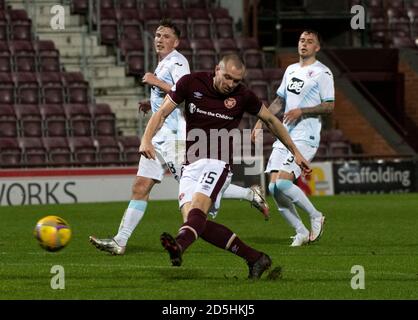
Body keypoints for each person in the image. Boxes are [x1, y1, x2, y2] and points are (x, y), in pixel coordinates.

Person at [89, 20, 268, 256]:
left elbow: (187, 93)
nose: (159, 39)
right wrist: (151, 101)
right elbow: (169, 95)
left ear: (176, 42)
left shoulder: (178, 61)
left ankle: (247, 195)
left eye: (165, 36)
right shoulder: (164, 62)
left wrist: (155, 82)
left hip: (177, 137)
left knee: (196, 197)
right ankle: (120, 241)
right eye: (157, 35)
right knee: (141, 186)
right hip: (159, 137)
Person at [139, 54, 312, 279]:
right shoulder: (190, 83)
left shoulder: (243, 96)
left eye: (236, 81)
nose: (231, 84)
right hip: (190, 164)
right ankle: (256, 258)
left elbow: (271, 121)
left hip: (218, 163)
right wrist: (146, 139)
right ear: (216, 70)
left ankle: (179, 247)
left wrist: (296, 152)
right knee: (193, 221)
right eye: (228, 77)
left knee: (198, 210)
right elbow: (161, 112)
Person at [252, 29, 335, 247]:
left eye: (309, 41)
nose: (304, 44)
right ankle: (300, 231)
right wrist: (261, 120)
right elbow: (279, 101)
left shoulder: (322, 73)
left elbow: (329, 106)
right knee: (273, 188)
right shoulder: (290, 70)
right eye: (301, 40)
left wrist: (302, 110)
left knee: (282, 182)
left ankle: (316, 215)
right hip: (286, 134)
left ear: (317, 48)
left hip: (306, 135)